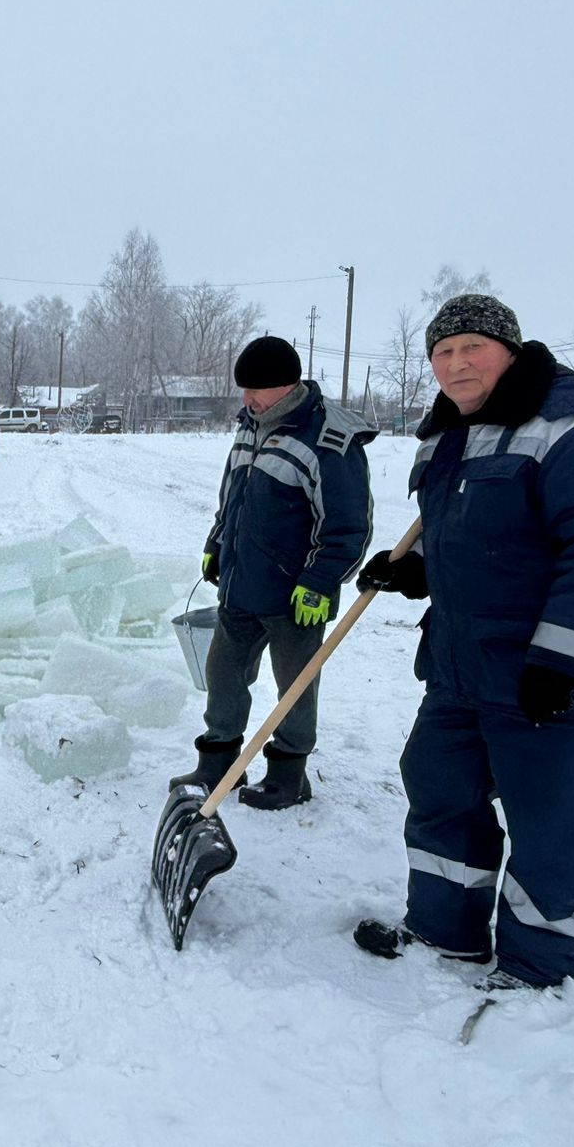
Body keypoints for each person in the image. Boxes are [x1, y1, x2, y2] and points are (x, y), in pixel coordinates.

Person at [353, 294, 574, 991]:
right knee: (438, 784)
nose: (456, 364)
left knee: (551, 823)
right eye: (442, 352)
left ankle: (535, 966)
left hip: (558, 677)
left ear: (511, 352)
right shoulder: (450, 436)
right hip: (467, 668)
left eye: (472, 348)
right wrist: (414, 571)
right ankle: (444, 930)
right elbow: (480, 541)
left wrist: (561, 662)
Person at [168, 336, 375, 808]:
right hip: (242, 585)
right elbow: (233, 498)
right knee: (223, 672)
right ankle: (218, 763)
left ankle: (288, 774)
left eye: (254, 390)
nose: (246, 400)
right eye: (244, 390)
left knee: (294, 687)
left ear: (288, 385)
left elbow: (347, 525)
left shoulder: (326, 438)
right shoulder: (251, 425)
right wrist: (217, 543)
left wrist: (319, 582)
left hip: (295, 595)